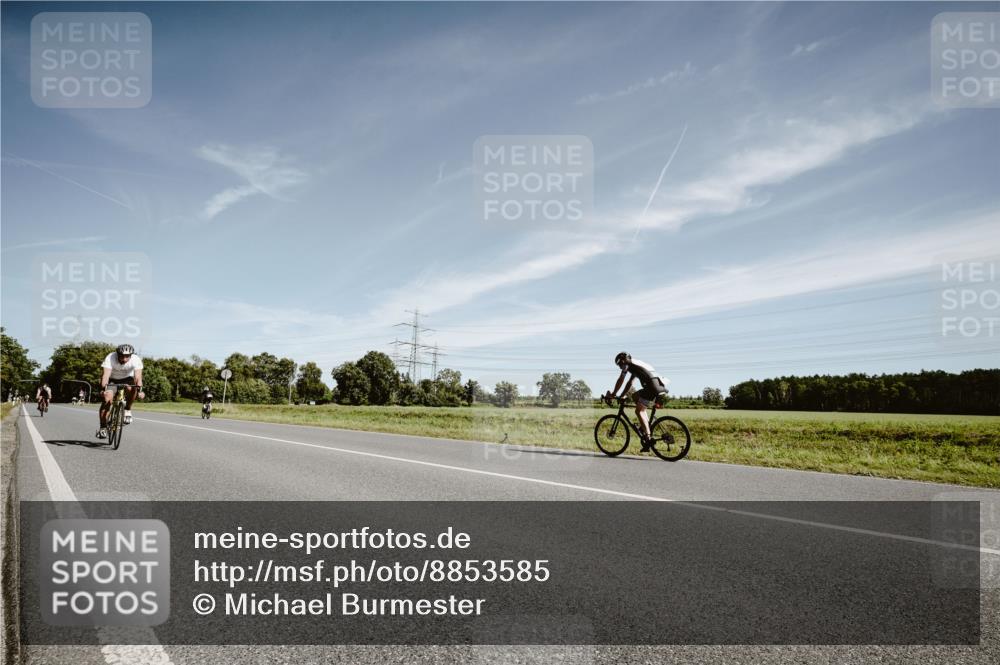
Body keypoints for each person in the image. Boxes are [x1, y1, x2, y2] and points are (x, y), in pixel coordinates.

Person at [606, 352, 669, 451]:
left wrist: (613, 394)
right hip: (658, 385)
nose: (620, 367)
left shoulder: (627, 364)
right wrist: (622, 396)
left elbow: (621, 379)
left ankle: (648, 438)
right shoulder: (635, 365)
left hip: (651, 387)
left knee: (639, 411)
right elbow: (629, 383)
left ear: (623, 360)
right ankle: (645, 425)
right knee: (635, 396)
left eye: (619, 364)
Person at [96, 344, 145, 439]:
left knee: (132, 388)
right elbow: (105, 376)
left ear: (131, 355)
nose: (124, 359)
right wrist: (104, 390)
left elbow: (138, 378)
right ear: (117, 354)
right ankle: (103, 427)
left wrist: (140, 391)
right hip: (112, 379)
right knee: (107, 399)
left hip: (127, 379)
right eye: (122, 356)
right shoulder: (110, 357)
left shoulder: (136, 359)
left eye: (127, 356)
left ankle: (127, 410)